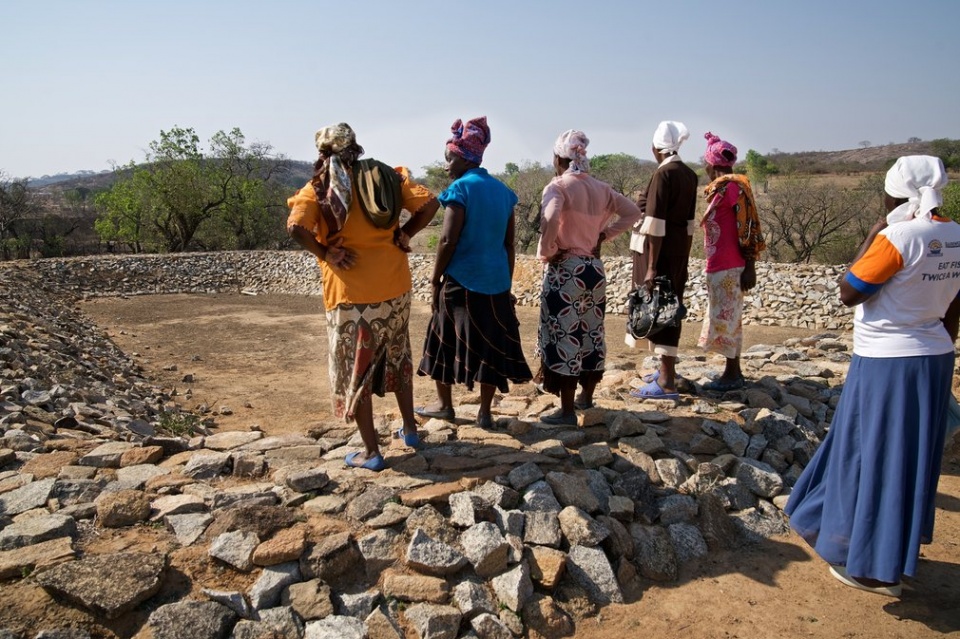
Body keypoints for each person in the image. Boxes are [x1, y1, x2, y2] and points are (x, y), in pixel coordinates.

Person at [786, 155, 960, 597]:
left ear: (897, 192)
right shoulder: (955, 235)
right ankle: (888, 554)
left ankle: (872, 568)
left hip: (887, 363)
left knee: (873, 455)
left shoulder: (898, 237)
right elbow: (953, 309)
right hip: (934, 358)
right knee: (908, 459)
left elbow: (850, 290)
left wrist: (872, 234)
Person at [286, 122, 439, 471]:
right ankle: (411, 431)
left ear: (323, 153)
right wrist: (405, 233)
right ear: (355, 146)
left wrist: (326, 253)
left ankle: (372, 453)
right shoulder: (385, 176)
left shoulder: (319, 189)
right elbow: (430, 203)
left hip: (351, 296)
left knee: (357, 373)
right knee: (398, 357)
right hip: (395, 288)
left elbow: (295, 227)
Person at [416, 117, 532, 427]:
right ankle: (484, 413)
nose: (446, 166)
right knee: (490, 345)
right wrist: (505, 283)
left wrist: (435, 278)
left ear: (466, 157)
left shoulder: (460, 189)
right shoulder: (503, 192)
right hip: (495, 283)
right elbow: (509, 245)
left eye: (450, 158)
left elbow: (447, 239)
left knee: (441, 339)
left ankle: (445, 406)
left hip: (461, 282)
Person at [536, 130, 643, 424]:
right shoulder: (601, 188)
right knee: (591, 332)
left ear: (559, 158)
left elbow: (550, 217)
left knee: (564, 334)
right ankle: (587, 397)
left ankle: (567, 411)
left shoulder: (557, 187)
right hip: (594, 271)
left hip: (566, 270)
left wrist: (549, 249)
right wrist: (602, 236)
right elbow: (633, 213)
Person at [627, 121, 699, 400]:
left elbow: (656, 224)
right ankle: (665, 371)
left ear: (656, 148)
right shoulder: (689, 175)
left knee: (659, 310)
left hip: (659, 254)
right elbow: (690, 223)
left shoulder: (664, 174)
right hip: (678, 252)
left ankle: (667, 380)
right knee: (670, 307)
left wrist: (652, 268)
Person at [697, 132, 765, 391]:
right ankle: (731, 372)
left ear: (711, 165)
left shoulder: (732, 189)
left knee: (729, 318)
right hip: (721, 264)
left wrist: (750, 265)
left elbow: (747, 227)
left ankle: (732, 374)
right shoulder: (724, 189)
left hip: (730, 265)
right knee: (725, 316)